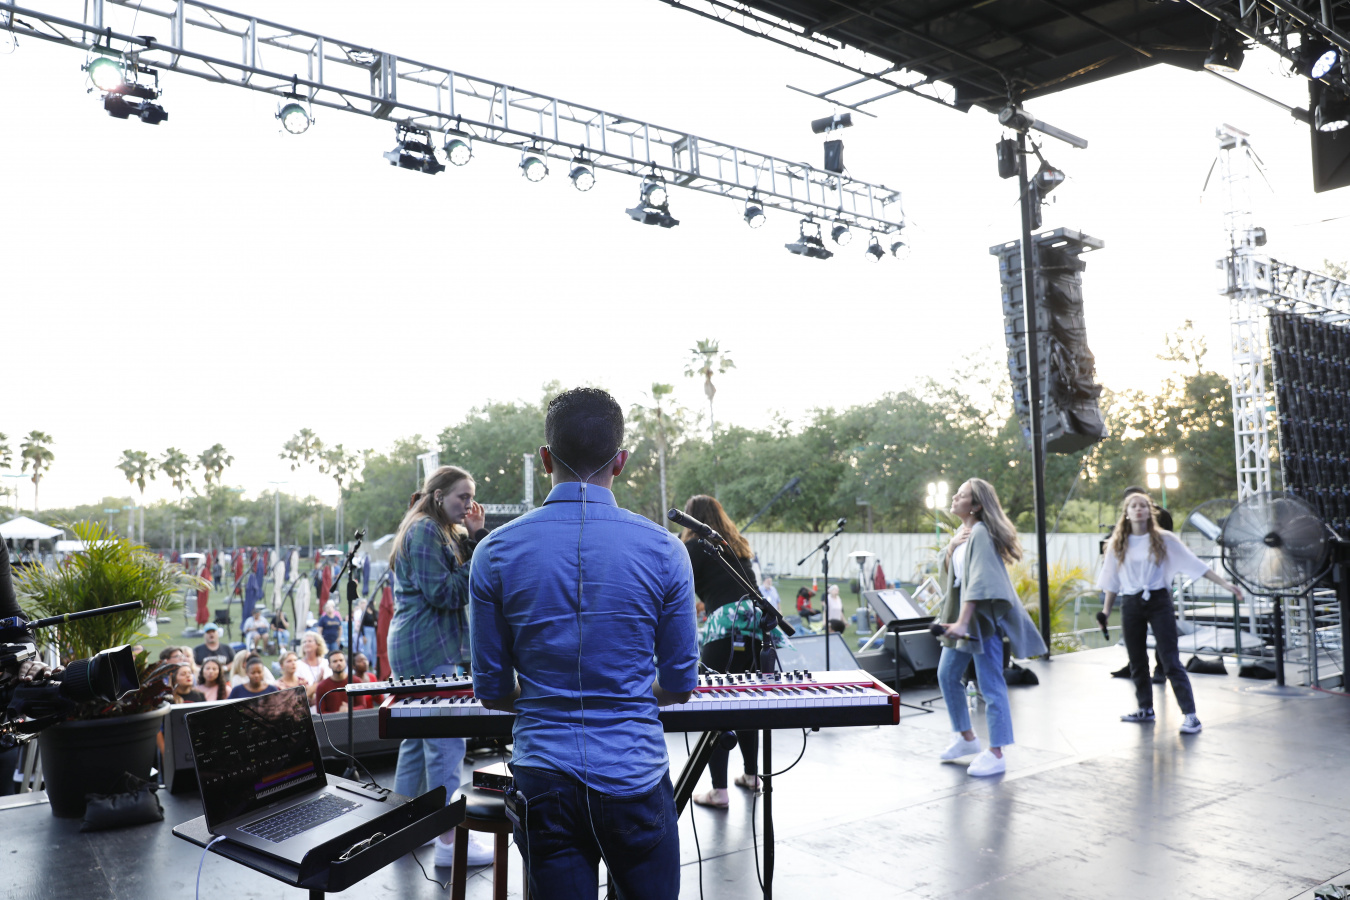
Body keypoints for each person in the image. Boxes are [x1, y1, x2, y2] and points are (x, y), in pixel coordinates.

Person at [470, 387, 698, 899]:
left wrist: (547, 699)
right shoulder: (665, 550)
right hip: (635, 775)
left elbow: (491, 691)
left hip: (543, 778)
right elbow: (681, 685)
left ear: (546, 458)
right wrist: (628, 694)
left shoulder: (494, 551)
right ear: (620, 462)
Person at [387, 464, 494, 869]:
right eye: (462, 496)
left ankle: (402, 828)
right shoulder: (425, 531)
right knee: (447, 742)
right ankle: (449, 841)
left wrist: (473, 535)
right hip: (428, 647)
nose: (469, 504)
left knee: (418, 741)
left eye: (471, 497)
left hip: (418, 645)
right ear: (438, 496)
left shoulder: (436, 529)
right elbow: (445, 592)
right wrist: (478, 551)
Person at [1099, 492, 1245, 734]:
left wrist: (1226, 584)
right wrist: (1105, 611)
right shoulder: (1117, 543)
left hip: (1158, 600)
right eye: (1134, 506)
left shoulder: (1163, 539)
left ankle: (1190, 716)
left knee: (1170, 659)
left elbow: (1196, 565)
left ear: (1149, 511)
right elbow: (1111, 581)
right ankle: (1145, 709)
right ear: (1127, 513)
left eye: (1143, 505)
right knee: (1137, 660)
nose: (1138, 509)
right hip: (1131, 603)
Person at [936, 478, 1047, 777]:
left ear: (975, 505)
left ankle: (997, 752)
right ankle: (966, 737)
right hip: (965, 620)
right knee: (947, 674)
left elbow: (981, 582)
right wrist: (950, 548)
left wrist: (963, 622)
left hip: (982, 621)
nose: (954, 497)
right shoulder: (963, 534)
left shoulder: (981, 533)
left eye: (961, 495)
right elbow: (954, 577)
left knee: (990, 684)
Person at [680, 494, 774, 811]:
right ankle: (752, 775)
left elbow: (676, 586)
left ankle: (719, 791)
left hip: (726, 627)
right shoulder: (734, 544)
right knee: (747, 702)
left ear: (690, 518)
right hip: (756, 624)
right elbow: (734, 587)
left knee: (715, 707)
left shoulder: (695, 546)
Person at [313, 649, 373, 714]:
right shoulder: (322, 686)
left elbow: (363, 706)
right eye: (335, 661)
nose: (338, 663)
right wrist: (338, 713)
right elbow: (320, 712)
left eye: (341, 660)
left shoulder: (356, 681)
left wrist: (349, 710)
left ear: (345, 663)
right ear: (329, 665)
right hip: (332, 720)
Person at [296, 631, 331, 699]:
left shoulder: (326, 663)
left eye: (310, 641)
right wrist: (318, 683)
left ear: (318, 644)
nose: (306, 644)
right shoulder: (297, 664)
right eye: (304, 642)